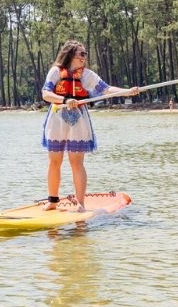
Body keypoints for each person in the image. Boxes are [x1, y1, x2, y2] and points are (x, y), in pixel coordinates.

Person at [41, 40, 139, 212]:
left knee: (76, 162)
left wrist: (127, 91)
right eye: (82, 54)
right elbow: (46, 94)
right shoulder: (56, 71)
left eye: (85, 54)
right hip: (57, 116)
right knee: (54, 161)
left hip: (78, 119)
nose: (84, 58)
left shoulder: (87, 75)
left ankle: (80, 203)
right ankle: (53, 200)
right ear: (71, 54)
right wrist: (64, 100)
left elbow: (106, 89)